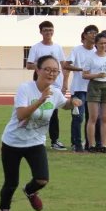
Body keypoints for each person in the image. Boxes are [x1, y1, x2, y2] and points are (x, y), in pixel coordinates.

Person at [0, 55, 80, 211]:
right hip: (12, 141)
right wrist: (41, 100)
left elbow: (64, 104)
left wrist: (74, 102)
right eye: (47, 70)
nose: (51, 74)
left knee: (42, 179)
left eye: (55, 71)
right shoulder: (25, 89)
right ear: (37, 70)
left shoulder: (55, 93)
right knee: (11, 182)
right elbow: (21, 115)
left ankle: (30, 191)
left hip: (35, 142)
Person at [26, 20, 67, 151]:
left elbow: (63, 65)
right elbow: (29, 65)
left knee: (53, 112)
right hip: (40, 83)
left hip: (56, 83)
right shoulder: (36, 47)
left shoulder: (58, 47)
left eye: (50, 30)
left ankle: (55, 140)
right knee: (37, 110)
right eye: (45, 30)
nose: (48, 33)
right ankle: (35, 138)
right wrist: (42, 67)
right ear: (41, 32)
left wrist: (65, 82)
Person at [61, 24, 97, 152]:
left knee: (91, 118)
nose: (94, 35)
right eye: (91, 33)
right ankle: (76, 144)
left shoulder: (97, 52)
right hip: (79, 89)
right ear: (85, 35)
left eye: (95, 33)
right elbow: (66, 65)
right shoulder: (77, 50)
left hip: (93, 89)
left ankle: (89, 144)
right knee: (78, 117)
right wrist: (81, 69)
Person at [82, 32, 106, 153]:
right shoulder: (91, 57)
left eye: (105, 43)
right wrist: (96, 75)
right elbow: (84, 75)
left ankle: (103, 144)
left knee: (104, 117)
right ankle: (91, 144)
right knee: (93, 117)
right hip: (94, 85)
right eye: (101, 43)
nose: (103, 45)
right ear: (96, 44)